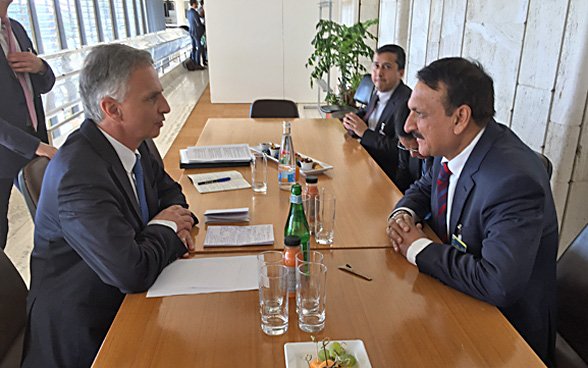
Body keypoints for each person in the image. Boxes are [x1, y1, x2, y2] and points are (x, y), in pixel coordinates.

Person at [22, 44, 198, 368]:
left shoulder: (137, 142)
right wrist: (167, 227)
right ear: (111, 109)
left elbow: (173, 196)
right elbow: (133, 271)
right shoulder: (78, 176)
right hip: (90, 336)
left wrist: (169, 223)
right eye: (151, 98)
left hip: (131, 304)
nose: (166, 107)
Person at [386, 57, 557, 366]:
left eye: (420, 114)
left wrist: (419, 247)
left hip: (505, 338)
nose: (409, 125)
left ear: (460, 117)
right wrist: (404, 214)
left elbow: (498, 283)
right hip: (452, 302)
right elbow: (426, 186)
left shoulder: (514, 181)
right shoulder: (451, 145)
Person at [0, 0, 57, 250]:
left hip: (34, 144)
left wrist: (40, 67)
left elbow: (44, 85)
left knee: (54, 216)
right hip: (10, 150)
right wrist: (35, 146)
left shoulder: (17, 29)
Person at [342, 44, 411, 180]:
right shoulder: (380, 90)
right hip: (365, 160)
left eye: (386, 67)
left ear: (401, 72)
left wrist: (365, 133)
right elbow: (369, 112)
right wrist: (353, 120)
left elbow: (399, 150)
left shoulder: (406, 102)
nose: (379, 73)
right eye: (376, 66)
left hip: (385, 174)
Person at [394, 116, 433, 193]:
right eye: (408, 149)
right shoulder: (405, 143)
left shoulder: (441, 158)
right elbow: (403, 174)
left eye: (416, 148)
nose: (412, 154)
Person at [187, 0, 205, 69]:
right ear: (194, 4)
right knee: (199, 47)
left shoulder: (188, 12)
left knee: (194, 47)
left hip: (191, 31)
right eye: (196, 3)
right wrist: (203, 29)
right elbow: (198, 23)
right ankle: (198, 64)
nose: (197, 5)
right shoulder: (194, 13)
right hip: (197, 32)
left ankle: (194, 61)